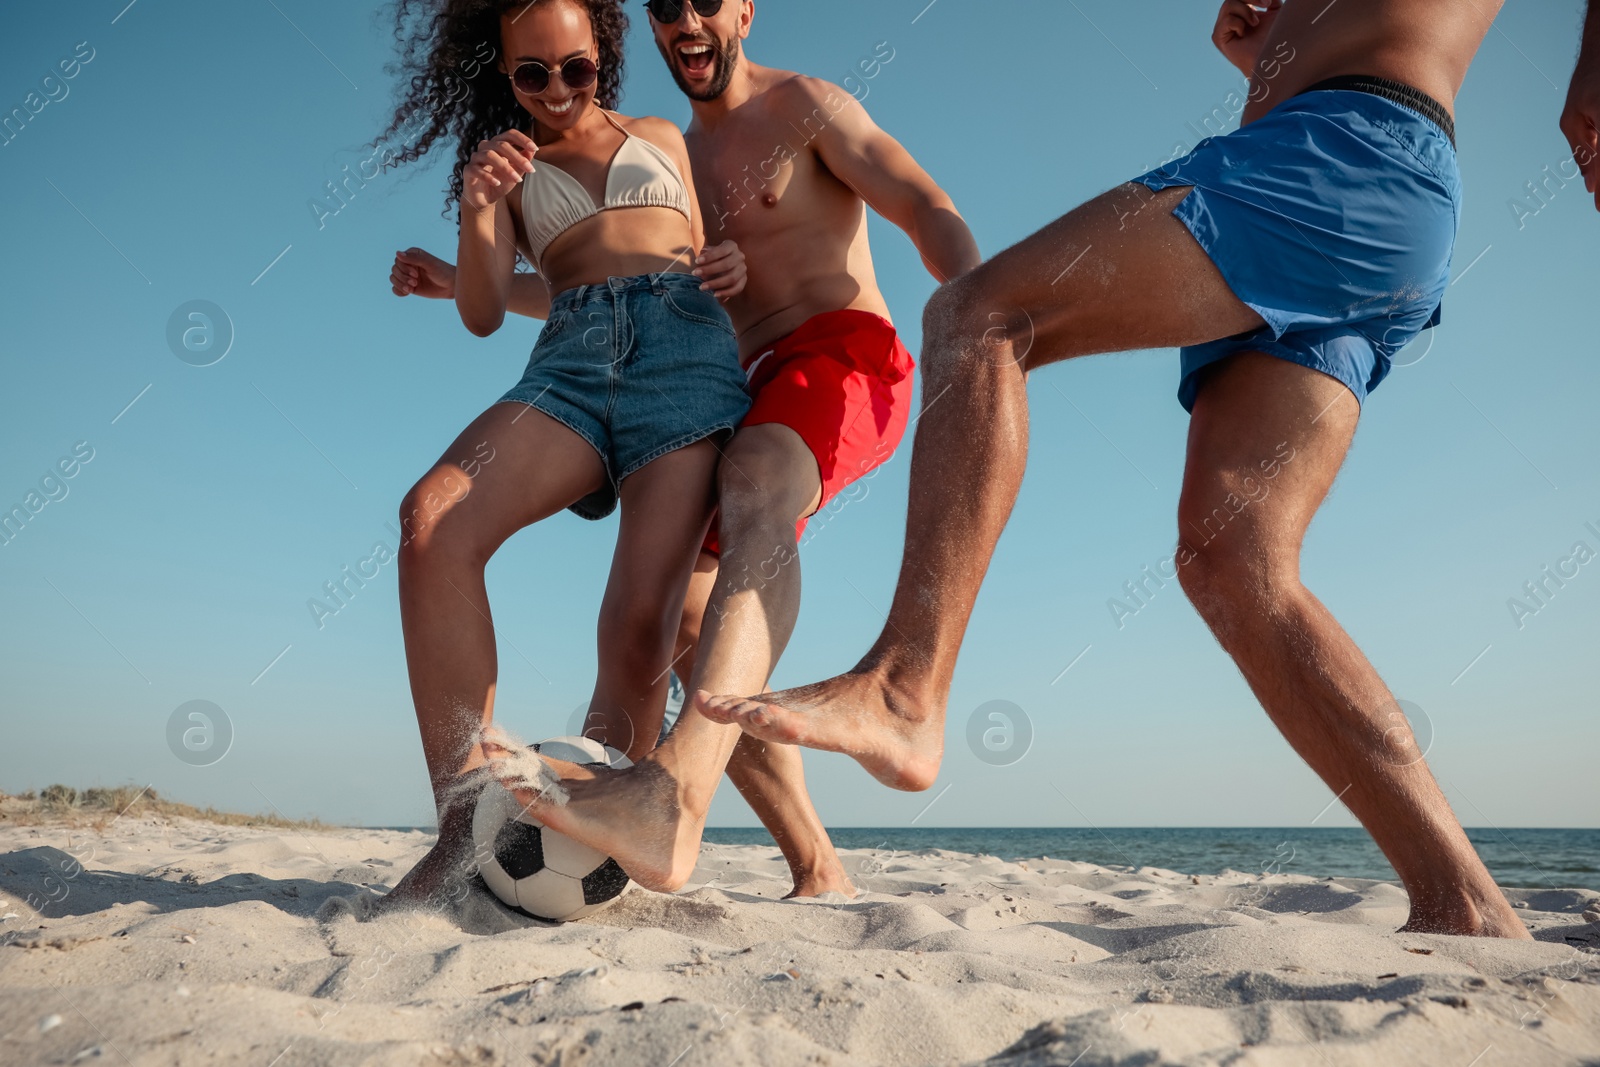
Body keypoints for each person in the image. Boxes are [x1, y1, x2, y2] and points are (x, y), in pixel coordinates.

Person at [696, 0, 1600, 939]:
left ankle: (904, 687)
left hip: (1341, 153)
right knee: (1235, 564)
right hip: (1362, 198)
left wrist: (1587, 72)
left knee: (979, 317)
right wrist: (1267, 45)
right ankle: (1463, 899)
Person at [480, 0, 981, 893]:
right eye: (664, 7)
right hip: (744, 387)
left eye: (703, 0)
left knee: (753, 483)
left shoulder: (805, 106)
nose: (685, 20)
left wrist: (980, 306)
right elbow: (606, 278)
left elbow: (921, 201)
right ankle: (818, 867)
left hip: (843, 352)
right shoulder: (664, 148)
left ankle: (669, 797)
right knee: (686, 625)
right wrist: (458, 277)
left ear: (744, 7)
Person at [375, 0, 762, 910]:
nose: (556, 90)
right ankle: (460, 826)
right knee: (430, 521)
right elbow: (482, 309)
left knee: (639, 627)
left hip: (685, 358)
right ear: (505, 75)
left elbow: (704, 259)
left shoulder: (664, 133)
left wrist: (733, 269)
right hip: (572, 369)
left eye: (576, 69)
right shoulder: (510, 169)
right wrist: (476, 209)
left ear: (604, 57)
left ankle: (601, 849)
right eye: (532, 75)